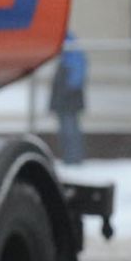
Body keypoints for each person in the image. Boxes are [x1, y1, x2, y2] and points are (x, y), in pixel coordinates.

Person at [49, 31, 87, 166]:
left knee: (69, 128)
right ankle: (70, 157)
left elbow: (76, 76)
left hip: (68, 97)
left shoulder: (71, 52)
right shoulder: (69, 52)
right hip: (66, 96)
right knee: (67, 128)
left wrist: (68, 91)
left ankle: (73, 158)